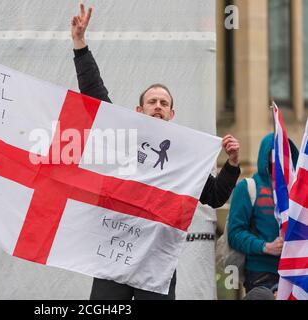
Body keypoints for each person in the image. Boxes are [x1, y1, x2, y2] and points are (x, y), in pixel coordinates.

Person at [70, 4, 241, 300]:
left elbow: (214, 196)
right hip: (116, 252)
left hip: (156, 260)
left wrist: (232, 165)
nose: (158, 106)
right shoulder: (124, 137)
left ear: (172, 114)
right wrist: (80, 45)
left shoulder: (184, 157)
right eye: (152, 102)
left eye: (164, 103)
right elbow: (94, 96)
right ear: (139, 110)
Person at [228, 133, 299, 294]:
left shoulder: (298, 192)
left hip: (296, 274)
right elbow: (235, 234)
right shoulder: (248, 187)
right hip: (261, 275)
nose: (280, 158)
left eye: (285, 152)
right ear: (266, 155)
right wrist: (265, 247)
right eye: (275, 153)